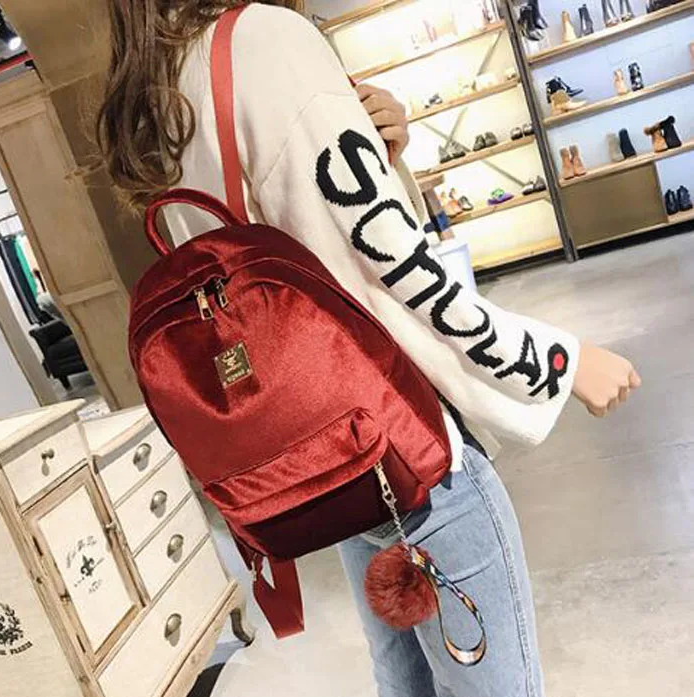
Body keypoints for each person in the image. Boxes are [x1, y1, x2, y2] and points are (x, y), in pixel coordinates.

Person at [96, 2, 641, 695]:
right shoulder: (266, 40)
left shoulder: (162, 83)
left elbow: (304, 249)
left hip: (330, 459)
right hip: (410, 455)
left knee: (403, 684)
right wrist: (556, 362)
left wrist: (375, 158)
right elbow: (396, 269)